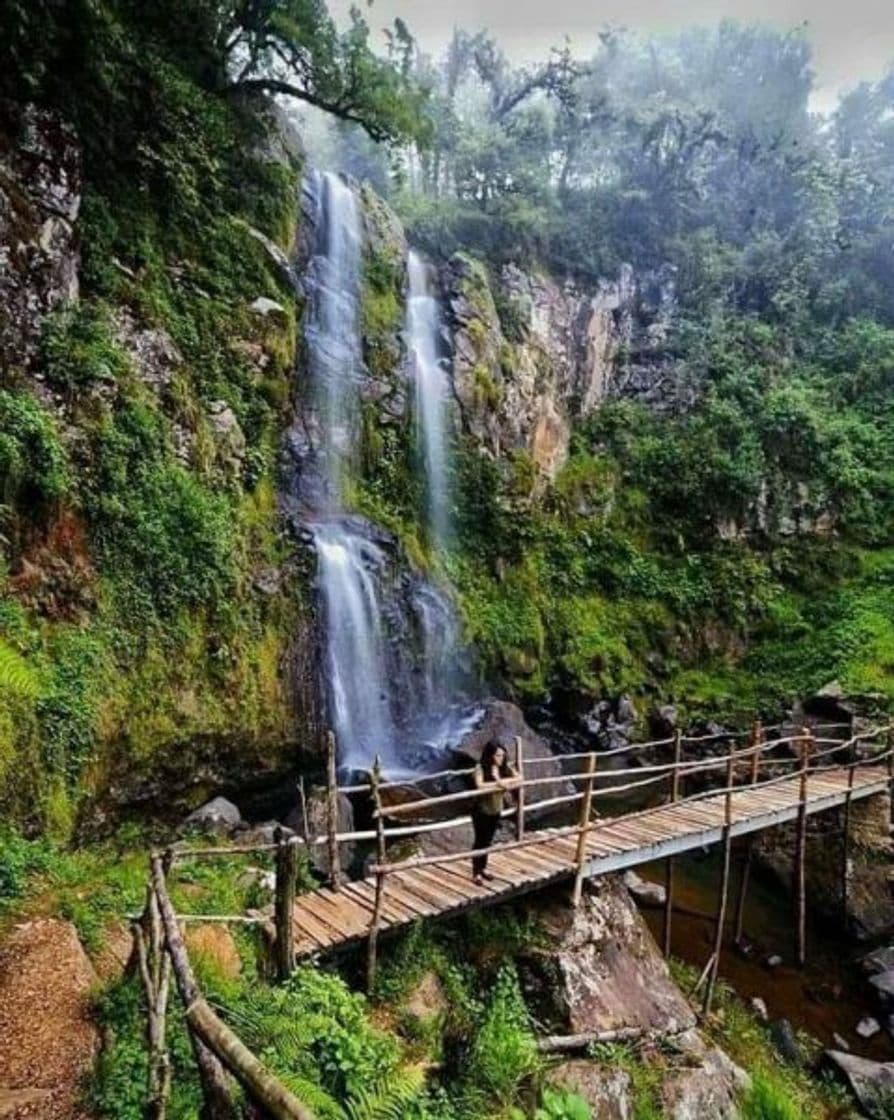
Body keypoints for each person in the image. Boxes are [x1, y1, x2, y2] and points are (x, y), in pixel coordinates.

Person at [471, 738, 519, 885]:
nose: (501, 758)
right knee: (480, 840)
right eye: (498, 755)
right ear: (490, 755)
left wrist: (502, 781)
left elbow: (520, 777)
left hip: (496, 810)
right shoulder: (481, 768)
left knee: (488, 840)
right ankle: (476, 872)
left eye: (502, 755)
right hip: (481, 810)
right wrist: (498, 782)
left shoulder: (505, 767)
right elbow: (480, 785)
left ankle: (483, 868)